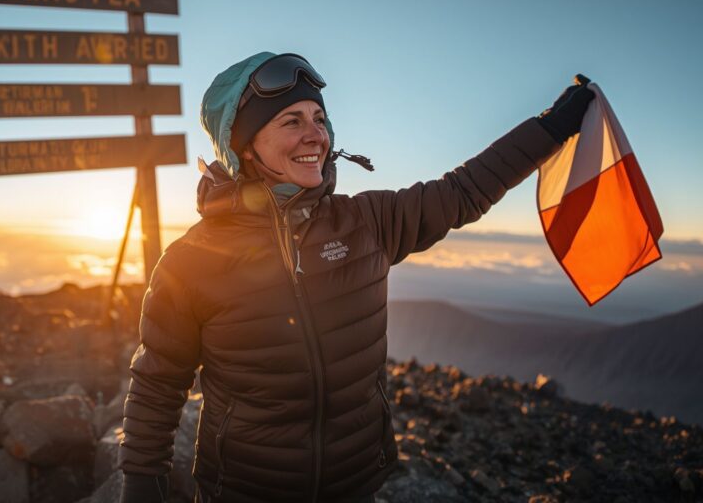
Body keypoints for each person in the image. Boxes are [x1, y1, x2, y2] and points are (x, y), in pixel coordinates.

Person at [118, 52, 594, 503]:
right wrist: (142, 486)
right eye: (291, 121)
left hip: (355, 485)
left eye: (319, 119)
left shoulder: (366, 223)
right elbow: (157, 386)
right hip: (243, 491)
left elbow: (463, 191)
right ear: (243, 146)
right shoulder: (192, 262)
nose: (316, 136)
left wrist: (552, 127)